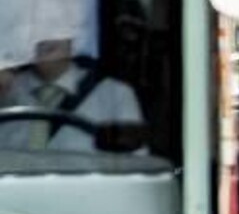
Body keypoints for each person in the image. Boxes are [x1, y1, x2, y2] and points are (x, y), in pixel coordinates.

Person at [0, 37, 144, 153]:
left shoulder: (114, 95)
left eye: (54, 24)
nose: (44, 36)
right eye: (34, 27)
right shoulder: (6, 90)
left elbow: (133, 164)